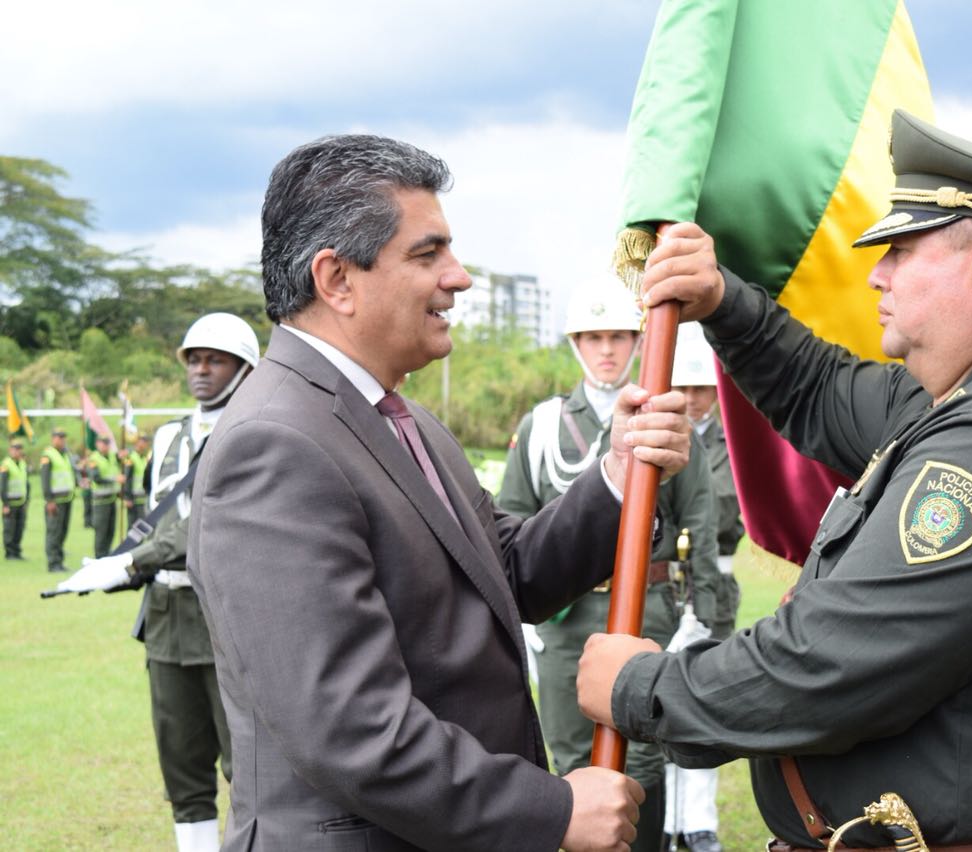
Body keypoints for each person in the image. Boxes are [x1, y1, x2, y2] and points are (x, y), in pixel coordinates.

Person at [577, 110, 972, 851]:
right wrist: (724, 303)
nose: (876, 274)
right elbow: (824, 391)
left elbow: (825, 667)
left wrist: (641, 688)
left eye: (901, 250)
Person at [186, 133, 692, 852]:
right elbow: (352, 729)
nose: (458, 278)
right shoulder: (275, 445)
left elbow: (504, 574)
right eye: (427, 255)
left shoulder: (400, 418)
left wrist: (616, 474)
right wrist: (549, 811)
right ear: (336, 280)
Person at [497, 282, 719, 852]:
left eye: (617, 336)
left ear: (637, 340)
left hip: (647, 609)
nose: (606, 351)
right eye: (593, 338)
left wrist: (705, 614)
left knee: (643, 752)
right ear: (575, 344)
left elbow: (699, 516)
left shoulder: (661, 415)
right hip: (565, 619)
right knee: (569, 754)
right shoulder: (542, 425)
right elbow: (515, 521)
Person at [58, 312, 259, 852]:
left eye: (215, 359)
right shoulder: (169, 435)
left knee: (249, 766)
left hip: (228, 617)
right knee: (182, 764)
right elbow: (160, 516)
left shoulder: (256, 430)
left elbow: (211, 526)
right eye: (193, 359)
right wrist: (115, 567)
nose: (200, 369)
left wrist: (131, 562)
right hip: (168, 616)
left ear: (245, 368)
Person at [660, 324, 746, 852]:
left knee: (707, 705)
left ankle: (701, 821)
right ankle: (668, 819)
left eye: (701, 388)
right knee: (661, 702)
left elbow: (730, 508)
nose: (692, 399)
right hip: (667, 586)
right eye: (684, 389)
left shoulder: (735, 440)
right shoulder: (662, 432)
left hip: (718, 580)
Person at [39, 428, 75, 573]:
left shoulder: (65, 454)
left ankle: (59, 561)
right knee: (54, 532)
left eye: (63, 437)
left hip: (67, 499)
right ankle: (53, 563)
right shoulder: (48, 456)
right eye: (59, 437)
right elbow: (45, 480)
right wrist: (50, 500)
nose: (61, 440)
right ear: (53, 438)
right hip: (55, 501)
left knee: (62, 532)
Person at [85, 433, 123, 557]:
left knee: (110, 531)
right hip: (100, 501)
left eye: (107, 444)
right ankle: (99, 555)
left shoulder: (112, 456)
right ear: (97, 444)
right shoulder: (94, 459)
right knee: (101, 531)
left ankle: (107, 554)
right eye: (103, 443)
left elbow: (120, 459)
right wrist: (115, 479)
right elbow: (96, 478)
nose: (105, 446)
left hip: (112, 499)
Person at [2, 440, 31, 560]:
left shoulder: (23, 464)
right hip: (10, 503)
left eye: (19, 449)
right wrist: (5, 504)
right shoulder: (6, 465)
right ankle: (10, 553)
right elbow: (2, 486)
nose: (17, 451)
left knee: (20, 527)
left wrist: (27, 500)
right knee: (10, 528)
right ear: (10, 450)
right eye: (15, 449)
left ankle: (17, 551)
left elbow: (26, 483)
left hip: (21, 502)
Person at [122, 432, 151, 528]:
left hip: (142, 498)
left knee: (141, 527)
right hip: (133, 499)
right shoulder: (131, 458)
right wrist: (127, 497)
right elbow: (127, 479)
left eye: (146, 442)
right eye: (142, 441)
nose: (144, 444)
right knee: (132, 527)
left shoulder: (144, 458)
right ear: (137, 443)